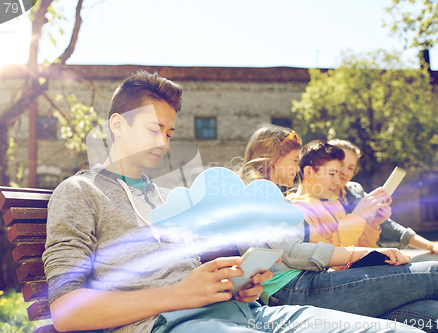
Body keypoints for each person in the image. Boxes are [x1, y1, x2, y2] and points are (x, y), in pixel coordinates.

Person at [41, 72, 418, 333]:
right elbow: (65, 311)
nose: (164, 143)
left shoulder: (165, 197)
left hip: (250, 313)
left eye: (169, 132)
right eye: (154, 129)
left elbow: (193, 273)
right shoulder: (79, 192)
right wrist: (179, 295)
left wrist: (237, 284)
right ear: (118, 125)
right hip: (181, 325)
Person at [238, 125, 438, 333]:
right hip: (295, 288)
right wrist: (362, 251)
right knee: (436, 274)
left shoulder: (271, 195)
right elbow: (292, 252)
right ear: (273, 160)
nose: (296, 169)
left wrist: (370, 227)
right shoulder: (263, 192)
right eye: (294, 160)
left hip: (303, 284)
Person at [328, 138, 438, 269]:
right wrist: (359, 215)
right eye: (340, 165)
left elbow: (388, 226)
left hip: (377, 259)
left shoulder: (354, 191)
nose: (344, 172)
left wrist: (431, 245)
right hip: (359, 266)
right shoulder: (319, 202)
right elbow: (335, 255)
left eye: (351, 168)